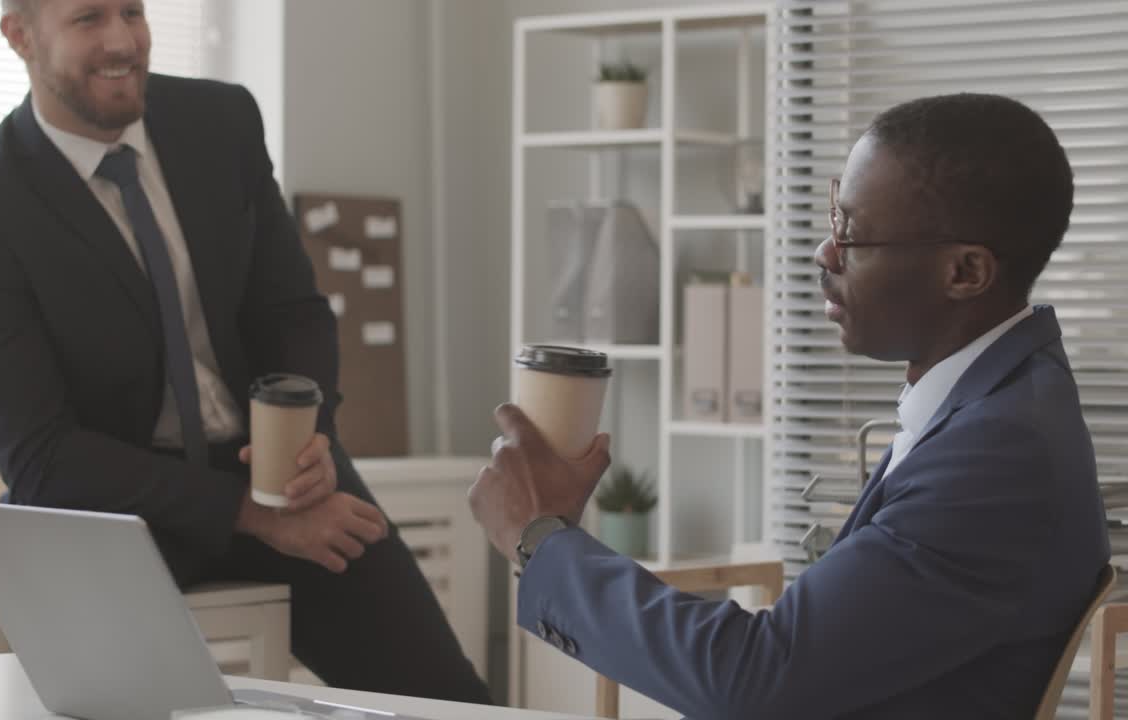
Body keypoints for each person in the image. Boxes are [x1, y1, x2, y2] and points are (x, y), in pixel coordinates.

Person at [470, 93, 1110, 718]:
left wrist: (539, 537)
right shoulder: (993, 406)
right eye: (835, 217)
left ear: (965, 273)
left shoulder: (999, 453)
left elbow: (754, 679)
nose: (825, 253)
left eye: (853, 234)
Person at [0, 0, 490, 704]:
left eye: (132, 11)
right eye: (89, 18)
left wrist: (308, 443)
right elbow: (41, 457)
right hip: (113, 509)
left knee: (450, 703)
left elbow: (291, 311)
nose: (123, 40)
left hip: (277, 469)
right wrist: (248, 512)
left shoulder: (220, 122)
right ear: (20, 36)